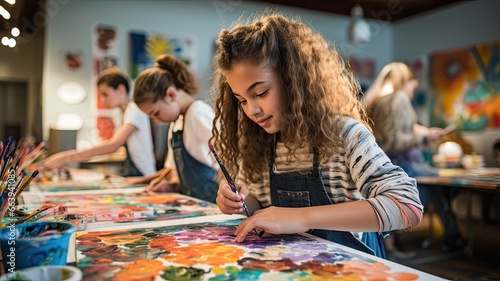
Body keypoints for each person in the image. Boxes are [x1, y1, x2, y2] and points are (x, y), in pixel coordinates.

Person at [210, 13, 423, 259]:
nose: (251, 110)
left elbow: (406, 205)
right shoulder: (261, 141)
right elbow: (262, 202)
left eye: (261, 93)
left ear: (294, 80)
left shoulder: (343, 134)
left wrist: (301, 218)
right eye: (242, 100)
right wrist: (243, 203)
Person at [364, 62, 466, 256]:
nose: (412, 93)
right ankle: (454, 240)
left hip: (381, 165)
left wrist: (421, 132)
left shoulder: (375, 101)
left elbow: (389, 133)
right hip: (402, 165)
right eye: (413, 87)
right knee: (446, 184)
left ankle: (391, 245)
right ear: (405, 81)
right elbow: (394, 141)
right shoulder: (399, 98)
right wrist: (423, 137)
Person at [131, 54, 218, 203]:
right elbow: (172, 170)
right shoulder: (177, 122)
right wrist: (169, 185)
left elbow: (231, 156)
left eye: (156, 113)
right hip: (195, 203)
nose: (157, 121)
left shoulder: (197, 113)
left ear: (171, 95)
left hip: (215, 202)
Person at [41, 67, 156, 177]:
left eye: (105, 94)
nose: (102, 99)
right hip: (136, 173)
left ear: (120, 89)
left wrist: (64, 157)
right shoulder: (124, 113)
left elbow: (113, 145)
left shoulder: (134, 110)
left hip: (144, 174)